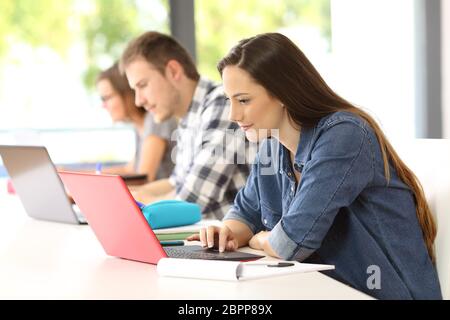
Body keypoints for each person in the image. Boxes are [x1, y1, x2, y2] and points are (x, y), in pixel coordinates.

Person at [188, 32, 442, 300]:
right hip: (321, 290)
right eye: (230, 100)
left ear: (282, 93)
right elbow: (245, 213)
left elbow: (291, 243)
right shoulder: (272, 145)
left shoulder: (344, 135)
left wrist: (259, 240)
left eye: (243, 100)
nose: (233, 115)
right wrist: (226, 233)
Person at [119, 31, 249, 219]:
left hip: (231, 243)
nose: (139, 101)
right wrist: (128, 195)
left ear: (173, 71)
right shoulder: (189, 118)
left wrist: (137, 202)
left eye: (143, 85)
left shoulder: (222, 103)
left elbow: (191, 201)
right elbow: (176, 183)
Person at [96, 62, 177, 181]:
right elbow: (129, 169)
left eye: (106, 98)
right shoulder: (140, 126)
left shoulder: (156, 120)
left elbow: (143, 178)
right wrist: (69, 173)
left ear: (128, 94)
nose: (103, 105)